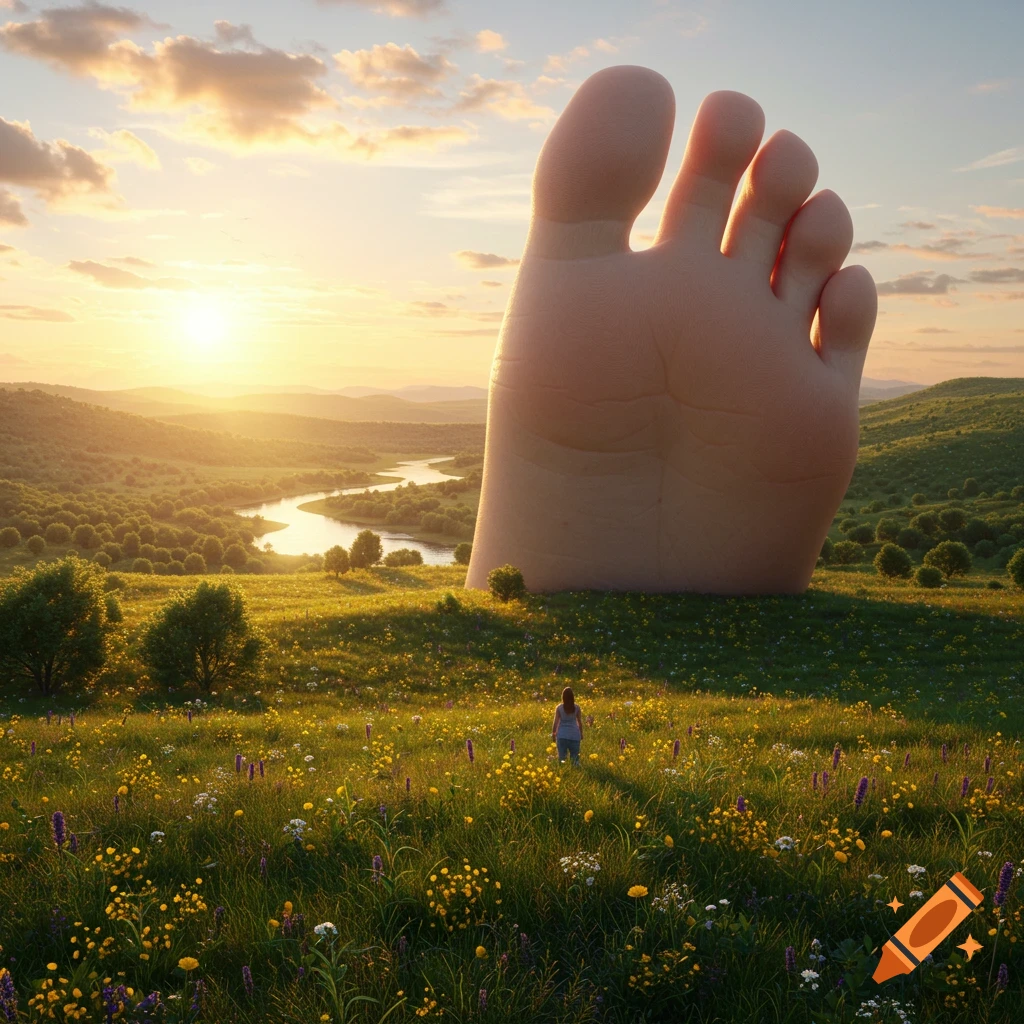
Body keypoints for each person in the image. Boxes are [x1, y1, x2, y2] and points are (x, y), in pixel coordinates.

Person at [465, 65, 876, 596]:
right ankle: (748, 608)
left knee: (492, 658)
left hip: (520, 673)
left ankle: (525, 593)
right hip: (773, 671)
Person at [552, 687, 583, 766]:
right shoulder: (577, 708)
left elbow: (555, 723)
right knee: (575, 760)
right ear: (573, 697)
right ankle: (576, 774)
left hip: (562, 736)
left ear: (563, 697)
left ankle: (563, 775)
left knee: (562, 760)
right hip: (575, 736)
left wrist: (553, 734)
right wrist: (581, 734)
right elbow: (579, 722)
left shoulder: (559, 708)